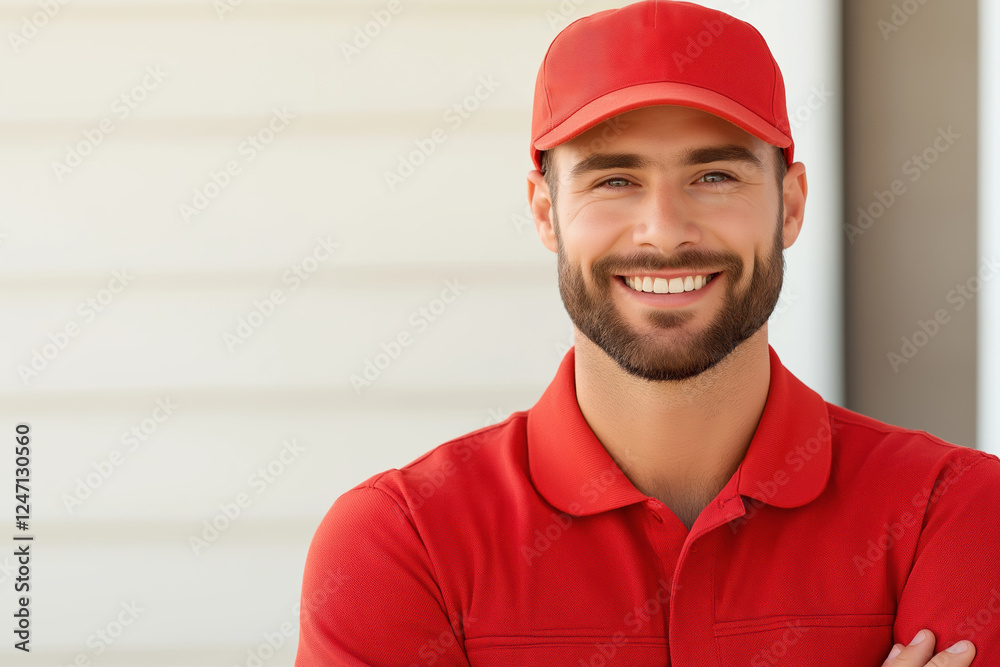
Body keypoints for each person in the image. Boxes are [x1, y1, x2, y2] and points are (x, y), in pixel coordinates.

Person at [294, 1, 1000, 665]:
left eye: (715, 174)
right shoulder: (402, 544)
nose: (664, 231)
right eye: (614, 181)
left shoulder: (957, 512)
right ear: (546, 213)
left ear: (789, 205)